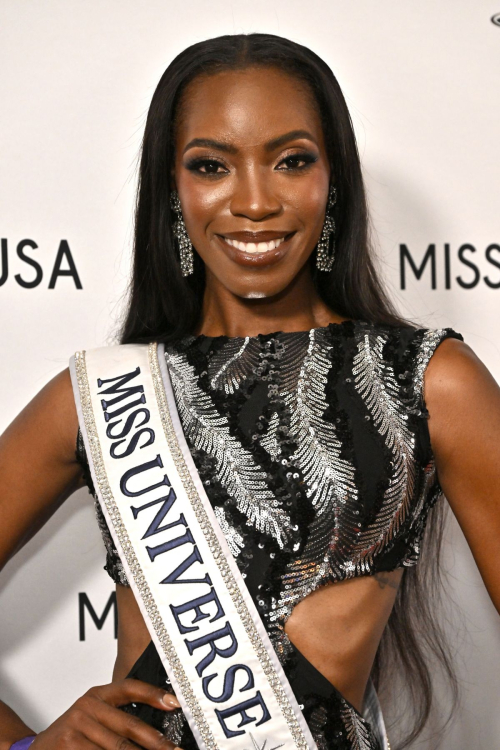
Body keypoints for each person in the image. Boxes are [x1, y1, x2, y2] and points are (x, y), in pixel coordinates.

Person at [1, 32, 499, 750]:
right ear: (173, 189)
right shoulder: (100, 394)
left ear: (334, 182)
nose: (256, 202)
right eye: (212, 166)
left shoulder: (426, 380)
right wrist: (24, 745)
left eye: (292, 161)